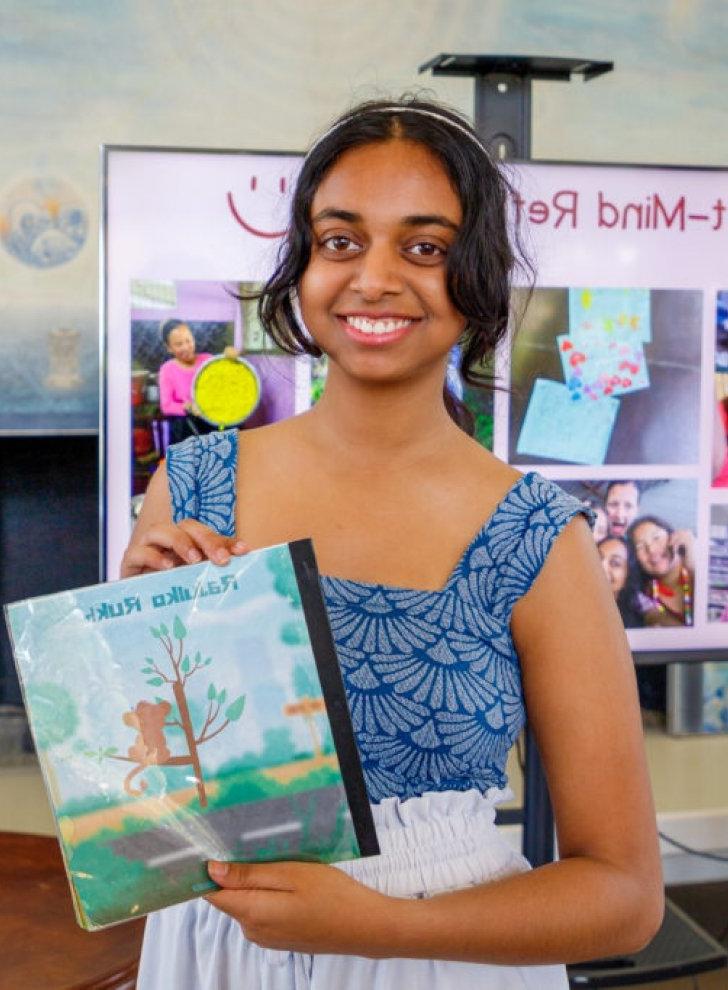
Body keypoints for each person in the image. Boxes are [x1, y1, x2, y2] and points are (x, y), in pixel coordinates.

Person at [122, 98, 662, 989]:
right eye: (340, 241)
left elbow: (625, 894)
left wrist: (380, 927)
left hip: (439, 960)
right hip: (212, 950)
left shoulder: (536, 536)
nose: (373, 278)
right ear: (303, 262)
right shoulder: (192, 485)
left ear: (478, 274)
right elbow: (150, 797)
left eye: (424, 247)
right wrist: (129, 642)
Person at [627, 515, 695, 627]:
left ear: (673, 536)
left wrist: (693, 563)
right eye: (640, 546)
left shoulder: (703, 564)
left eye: (656, 538)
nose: (651, 550)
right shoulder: (644, 599)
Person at [158, 318, 216, 444]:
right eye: (179, 344)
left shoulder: (208, 361)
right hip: (187, 430)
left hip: (214, 424)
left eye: (188, 340)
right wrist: (188, 407)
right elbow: (166, 406)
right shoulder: (167, 370)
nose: (186, 347)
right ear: (169, 348)